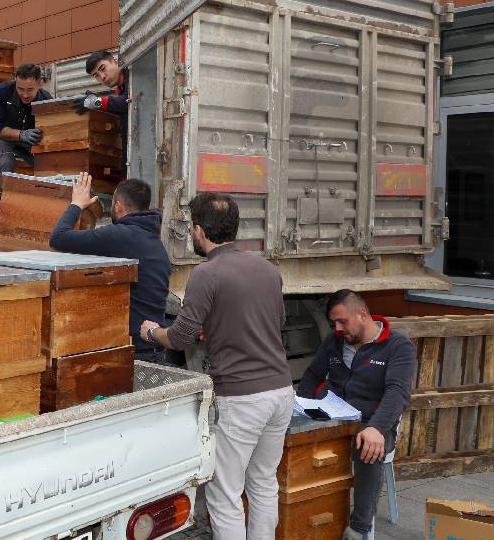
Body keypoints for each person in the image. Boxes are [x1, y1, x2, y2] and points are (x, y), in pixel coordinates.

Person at [138, 192, 292, 540]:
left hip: (242, 397)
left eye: (192, 228)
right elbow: (274, 323)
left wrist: (151, 332)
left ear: (200, 230)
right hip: (282, 391)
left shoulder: (206, 273)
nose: (191, 234)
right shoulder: (268, 270)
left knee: (224, 493)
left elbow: (180, 337)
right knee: (263, 482)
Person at [298, 290, 415, 540]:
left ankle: (358, 528)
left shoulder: (398, 346)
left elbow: (398, 392)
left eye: (342, 321)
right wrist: (302, 407)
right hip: (332, 418)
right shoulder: (334, 342)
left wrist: (378, 427)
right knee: (289, 438)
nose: (338, 329)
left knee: (368, 447)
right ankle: (302, 515)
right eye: (334, 323)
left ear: (361, 314)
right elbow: (312, 376)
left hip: (372, 421)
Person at [48, 173, 171, 364]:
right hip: (154, 346)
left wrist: (77, 204)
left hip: (135, 351)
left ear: (118, 206)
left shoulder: (118, 236)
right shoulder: (153, 239)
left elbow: (58, 238)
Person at [0, 63, 51, 200]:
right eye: (20, 89)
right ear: (15, 81)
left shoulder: (47, 100)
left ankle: (46, 202)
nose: (25, 94)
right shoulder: (2, 91)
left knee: (48, 166)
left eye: (30, 90)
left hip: (32, 142)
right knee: (6, 162)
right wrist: (21, 134)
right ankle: (5, 203)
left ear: (40, 84)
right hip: (4, 139)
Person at [74, 49, 129, 117]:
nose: (102, 77)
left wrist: (95, 102)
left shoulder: (134, 75)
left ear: (116, 62)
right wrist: (96, 101)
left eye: (103, 68)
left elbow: (128, 102)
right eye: (97, 75)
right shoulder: (121, 89)